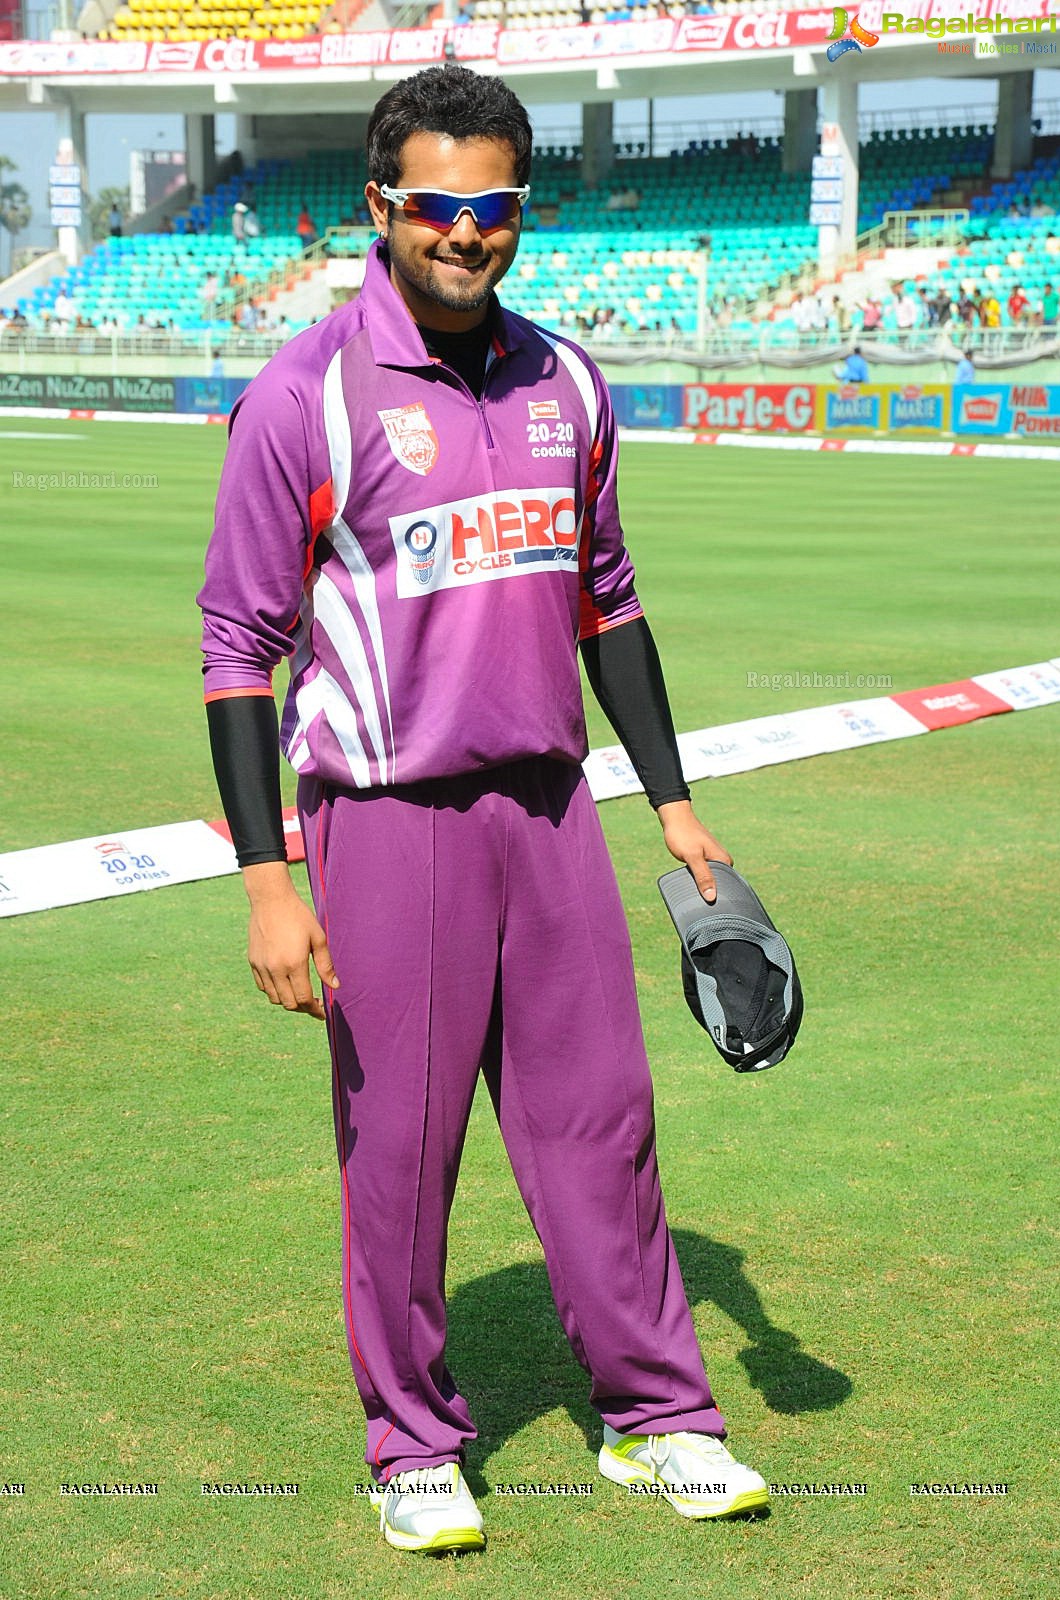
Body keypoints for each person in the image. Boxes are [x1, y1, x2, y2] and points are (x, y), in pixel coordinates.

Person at [197, 64, 769, 1556]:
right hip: (387, 824)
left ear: (524, 210)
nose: (464, 232)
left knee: (605, 1125)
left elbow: (611, 606)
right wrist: (270, 879)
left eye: (492, 206)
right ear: (380, 207)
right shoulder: (304, 394)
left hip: (553, 808)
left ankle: (662, 1418)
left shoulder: (567, 380)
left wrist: (676, 805)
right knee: (401, 1147)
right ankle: (413, 1442)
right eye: (435, 206)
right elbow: (235, 650)